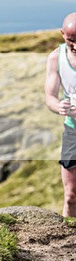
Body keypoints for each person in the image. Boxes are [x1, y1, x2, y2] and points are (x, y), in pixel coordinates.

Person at [44, 12, 76, 218]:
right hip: (72, 130)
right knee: (71, 196)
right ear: (62, 34)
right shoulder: (56, 58)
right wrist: (59, 107)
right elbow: (50, 97)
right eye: (71, 40)